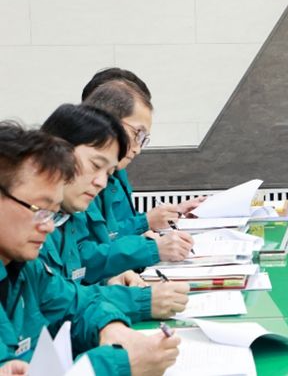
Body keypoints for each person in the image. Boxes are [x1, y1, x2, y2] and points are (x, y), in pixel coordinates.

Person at [0, 122, 179, 374]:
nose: (49, 227)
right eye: (39, 209)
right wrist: (119, 364)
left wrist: (111, 327)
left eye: (52, 213)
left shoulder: (26, 269)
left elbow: (78, 304)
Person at [40, 103, 189, 321]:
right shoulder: (29, 220)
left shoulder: (67, 213)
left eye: (108, 173)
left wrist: (109, 281)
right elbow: (50, 301)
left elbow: (72, 280)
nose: (101, 182)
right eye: (95, 165)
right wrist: (138, 301)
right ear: (55, 153)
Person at [75, 80, 194, 284]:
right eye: (137, 134)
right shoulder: (71, 182)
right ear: (107, 122)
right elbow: (82, 262)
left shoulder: (112, 174)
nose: (138, 149)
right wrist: (148, 239)